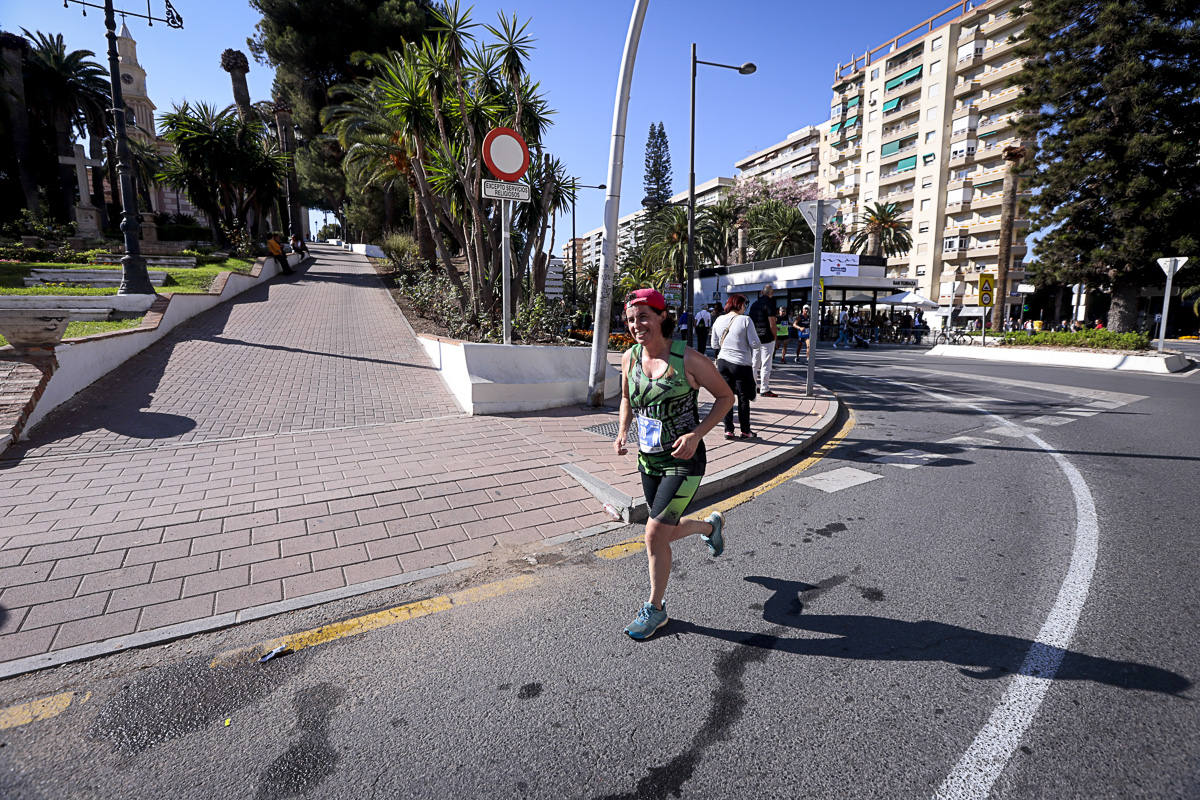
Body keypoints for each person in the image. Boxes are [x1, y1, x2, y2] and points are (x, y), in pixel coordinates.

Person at [615, 288, 735, 640]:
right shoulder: (630, 358)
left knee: (653, 534)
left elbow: (726, 397)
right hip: (648, 460)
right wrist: (623, 431)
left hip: (684, 462)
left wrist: (697, 434)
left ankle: (656, 609)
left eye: (644, 317)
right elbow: (625, 397)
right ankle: (709, 529)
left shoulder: (690, 361)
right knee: (663, 529)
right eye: (631, 318)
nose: (637, 325)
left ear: (662, 316)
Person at [711, 293, 761, 439]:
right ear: (739, 305)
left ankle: (728, 430)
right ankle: (745, 431)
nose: (745, 307)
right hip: (740, 364)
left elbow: (714, 344)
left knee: (727, 397)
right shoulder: (745, 320)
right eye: (745, 304)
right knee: (743, 398)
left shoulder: (719, 319)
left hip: (723, 363)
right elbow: (755, 343)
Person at [747, 284, 779, 397]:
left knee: (754, 363)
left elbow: (750, 321)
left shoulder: (754, 304)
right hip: (767, 337)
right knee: (766, 363)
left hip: (755, 336)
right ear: (772, 293)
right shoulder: (770, 303)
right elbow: (772, 323)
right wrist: (775, 336)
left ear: (761, 292)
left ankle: (752, 386)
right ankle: (765, 389)